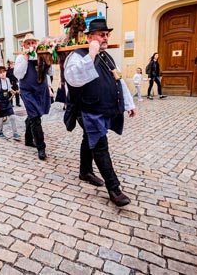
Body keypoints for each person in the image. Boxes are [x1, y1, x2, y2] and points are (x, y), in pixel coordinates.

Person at [64, 18, 136, 207]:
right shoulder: (77, 55)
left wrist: (129, 103)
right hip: (87, 110)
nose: (105, 38)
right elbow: (73, 78)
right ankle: (114, 189)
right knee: (99, 144)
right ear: (90, 37)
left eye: (107, 35)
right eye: (101, 35)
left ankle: (85, 171)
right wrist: (91, 54)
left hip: (101, 108)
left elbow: (118, 79)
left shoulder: (107, 56)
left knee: (89, 140)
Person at [15, 33, 52, 160]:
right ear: (24, 45)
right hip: (27, 91)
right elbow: (18, 75)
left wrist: (48, 58)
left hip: (40, 91)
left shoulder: (41, 55)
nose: (31, 45)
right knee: (35, 118)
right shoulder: (20, 58)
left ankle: (28, 139)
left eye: (33, 43)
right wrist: (25, 58)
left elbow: (49, 73)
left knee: (34, 115)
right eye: (28, 43)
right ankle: (41, 148)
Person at [0, 66, 20, 140]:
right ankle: (0, 132)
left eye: (4, 72)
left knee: (12, 117)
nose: (3, 74)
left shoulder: (7, 80)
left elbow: (8, 89)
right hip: (0, 103)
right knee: (0, 119)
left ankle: (15, 133)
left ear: (6, 72)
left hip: (7, 102)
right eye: (0, 73)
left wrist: (13, 91)